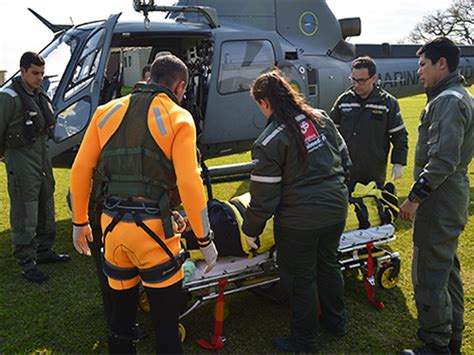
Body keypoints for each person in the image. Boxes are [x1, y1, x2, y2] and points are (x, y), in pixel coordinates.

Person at [69, 53, 218, 354]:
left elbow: (81, 169)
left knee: (121, 321)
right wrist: (204, 239)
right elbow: (190, 183)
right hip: (155, 233)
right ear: (179, 87)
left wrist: (79, 222)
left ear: (150, 78)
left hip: (112, 229)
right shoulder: (179, 117)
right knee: (165, 325)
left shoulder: (106, 112)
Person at [242, 69, 351, 352]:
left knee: (301, 277)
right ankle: (336, 322)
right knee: (328, 264)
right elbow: (345, 159)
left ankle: (305, 340)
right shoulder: (322, 119)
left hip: (299, 222)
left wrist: (251, 231)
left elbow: (264, 198)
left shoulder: (268, 140)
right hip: (336, 208)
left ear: (265, 102)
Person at [400, 37, 473, 355]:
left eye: (422, 64)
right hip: (451, 192)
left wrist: (414, 197)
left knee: (430, 270)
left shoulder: (446, 100)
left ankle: (436, 344)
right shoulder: (459, 95)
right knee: (446, 268)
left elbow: (443, 160)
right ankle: (451, 337)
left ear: (441, 64)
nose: (419, 72)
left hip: (440, 197)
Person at [0, 51, 70, 284]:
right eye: (34, 73)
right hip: (21, 161)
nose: (39, 77)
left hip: (42, 158)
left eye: (41, 73)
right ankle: (26, 262)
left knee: (46, 204)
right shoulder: (8, 98)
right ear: (22, 71)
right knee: (25, 211)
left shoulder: (40, 94)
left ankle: (44, 251)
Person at [330, 56, 408, 190]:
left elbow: (400, 136)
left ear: (373, 78)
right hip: (346, 170)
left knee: (372, 209)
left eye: (361, 81)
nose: (356, 85)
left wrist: (398, 163)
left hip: (374, 171)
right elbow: (331, 134)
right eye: (353, 80)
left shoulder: (387, 103)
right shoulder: (344, 101)